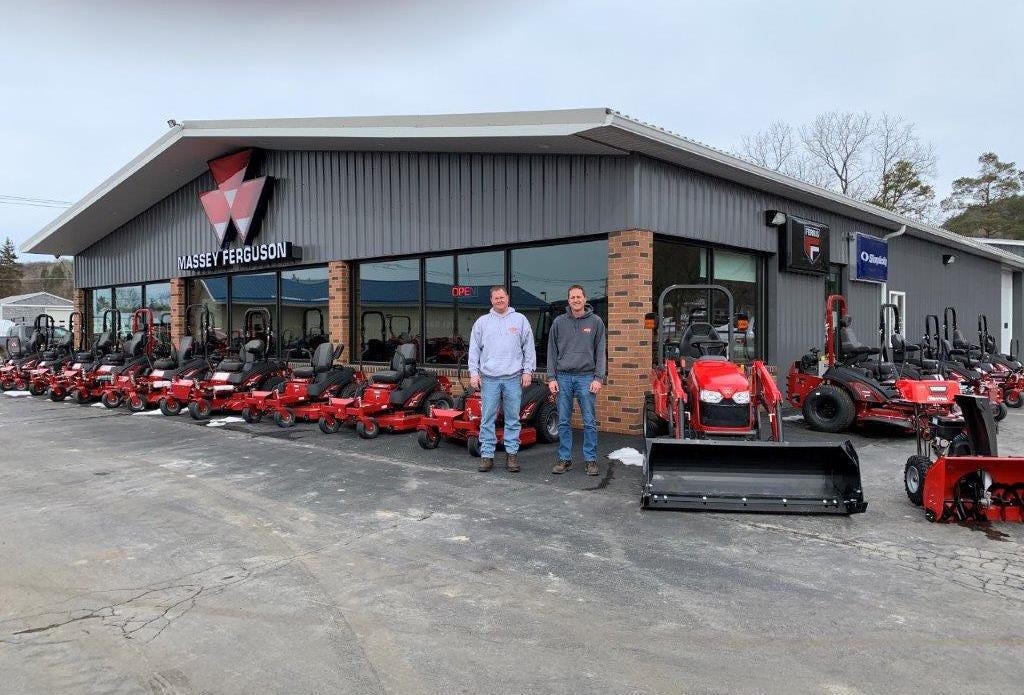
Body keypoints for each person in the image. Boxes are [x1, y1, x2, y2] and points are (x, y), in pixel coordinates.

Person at [468, 285, 536, 473]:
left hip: (513, 378)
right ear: (491, 300)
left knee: (513, 419)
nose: (499, 300)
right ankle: (487, 455)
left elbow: (528, 348)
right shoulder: (482, 323)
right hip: (489, 379)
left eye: (502, 297)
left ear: (508, 298)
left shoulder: (520, 320)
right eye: (496, 298)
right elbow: (474, 350)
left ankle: (512, 455)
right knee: (487, 419)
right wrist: (474, 373)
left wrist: (528, 371)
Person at [547, 285, 606, 476]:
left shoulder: (596, 322)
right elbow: (551, 352)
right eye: (572, 297)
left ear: (585, 298)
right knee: (563, 421)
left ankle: (590, 460)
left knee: (589, 421)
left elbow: (601, 352)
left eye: (579, 297)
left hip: (586, 377)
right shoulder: (559, 322)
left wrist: (599, 377)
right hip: (562, 377)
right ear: (568, 300)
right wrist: (551, 377)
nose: (576, 300)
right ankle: (565, 459)